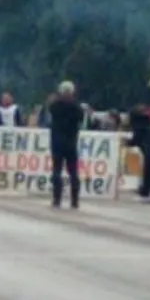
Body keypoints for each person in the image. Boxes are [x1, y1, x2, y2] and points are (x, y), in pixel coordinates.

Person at [47, 81, 83, 209]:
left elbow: (50, 111)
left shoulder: (55, 105)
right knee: (73, 171)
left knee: (57, 170)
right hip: (71, 142)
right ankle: (75, 200)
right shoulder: (76, 106)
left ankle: (57, 199)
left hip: (57, 141)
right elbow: (81, 118)